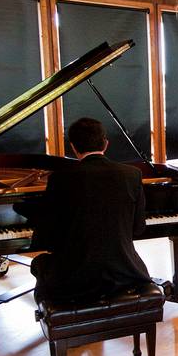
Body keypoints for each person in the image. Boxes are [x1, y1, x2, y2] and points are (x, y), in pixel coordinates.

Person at [30, 118, 152, 301]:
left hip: (74, 279)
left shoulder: (60, 179)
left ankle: (58, 321)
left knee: (39, 264)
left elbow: (48, 238)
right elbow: (138, 229)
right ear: (105, 143)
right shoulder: (132, 175)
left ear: (73, 147)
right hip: (124, 273)